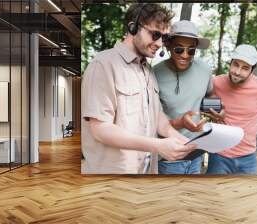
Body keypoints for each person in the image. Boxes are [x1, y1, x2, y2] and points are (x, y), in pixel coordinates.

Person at [81, 3, 196, 174]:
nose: (159, 43)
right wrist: (157, 145)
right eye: (155, 34)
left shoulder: (147, 70)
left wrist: (188, 143)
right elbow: (100, 129)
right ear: (133, 28)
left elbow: (159, 120)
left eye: (163, 38)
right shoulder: (103, 64)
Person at [205, 44, 257, 175]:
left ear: (252, 70)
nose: (237, 72)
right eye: (235, 64)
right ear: (230, 62)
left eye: (245, 68)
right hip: (219, 155)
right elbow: (200, 102)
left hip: (248, 157)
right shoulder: (215, 82)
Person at [153, 20, 213, 174]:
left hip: (196, 153)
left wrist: (217, 111)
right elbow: (151, 120)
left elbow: (209, 95)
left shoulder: (205, 70)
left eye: (191, 50)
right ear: (168, 46)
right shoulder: (153, 74)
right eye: (179, 49)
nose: (185, 55)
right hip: (169, 158)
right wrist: (179, 123)